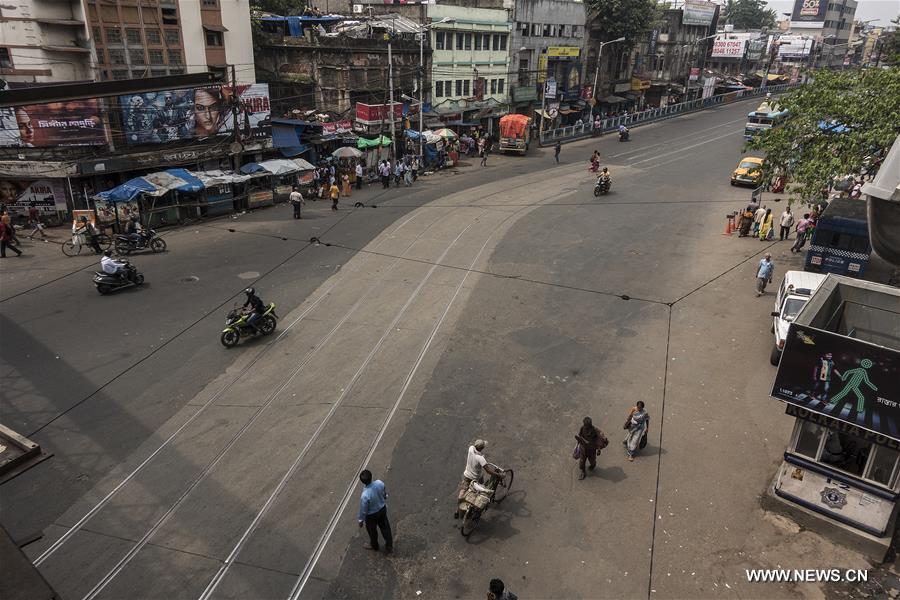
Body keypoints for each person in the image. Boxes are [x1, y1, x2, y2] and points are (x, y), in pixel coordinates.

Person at [455, 439, 493, 518]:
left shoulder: (471, 448)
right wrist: (498, 475)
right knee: (481, 490)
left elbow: (475, 454)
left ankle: (457, 511)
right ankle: (476, 507)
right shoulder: (481, 459)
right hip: (476, 478)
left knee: (462, 493)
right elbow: (488, 471)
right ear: (482, 448)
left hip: (466, 476)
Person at [357, 470, 393, 553]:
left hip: (371, 516)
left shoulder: (365, 495)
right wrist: (385, 496)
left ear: (362, 482)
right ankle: (389, 546)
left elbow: (363, 510)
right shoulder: (379, 483)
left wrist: (361, 520)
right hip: (382, 509)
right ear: (371, 476)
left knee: (372, 531)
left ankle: (375, 546)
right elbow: (384, 493)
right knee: (385, 528)